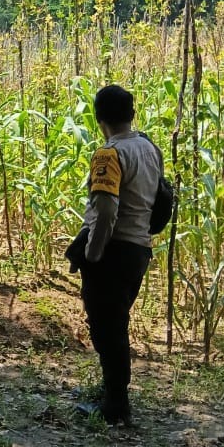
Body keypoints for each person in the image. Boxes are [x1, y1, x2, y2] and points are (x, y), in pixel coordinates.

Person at [71, 84, 159, 426]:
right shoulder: (149, 148)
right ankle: (113, 396)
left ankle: (115, 407)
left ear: (98, 118)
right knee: (115, 324)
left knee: (108, 330)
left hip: (113, 250)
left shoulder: (108, 155)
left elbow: (106, 211)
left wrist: (93, 253)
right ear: (132, 115)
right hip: (138, 250)